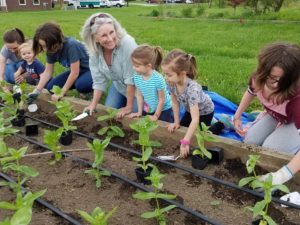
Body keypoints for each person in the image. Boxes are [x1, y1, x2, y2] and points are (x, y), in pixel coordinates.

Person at [233, 43, 300, 185]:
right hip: (276, 114)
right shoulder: (258, 79)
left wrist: (282, 175)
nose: (276, 84)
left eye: (283, 80)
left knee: (272, 149)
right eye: (272, 77)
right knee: (250, 141)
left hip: (294, 121)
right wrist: (237, 115)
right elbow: (250, 92)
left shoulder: (296, 98)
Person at [81, 12, 137, 117]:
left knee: (132, 116)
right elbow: (99, 80)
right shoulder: (94, 52)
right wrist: (93, 104)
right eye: (104, 35)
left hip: (140, 88)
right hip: (119, 85)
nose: (110, 39)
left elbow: (131, 79)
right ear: (95, 38)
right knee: (109, 112)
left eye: (112, 32)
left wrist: (129, 106)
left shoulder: (127, 43)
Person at [161, 49, 215, 158]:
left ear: (182, 73)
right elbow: (175, 103)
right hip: (189, 110)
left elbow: (195, 118)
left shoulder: (192, 89)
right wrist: (176, 122)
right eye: (165, 74)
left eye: (169, 75)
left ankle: (220, 124)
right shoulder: (171, 82)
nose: (166, 78)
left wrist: (185, 141)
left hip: (205, 112)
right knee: (183, 129)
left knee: (200, 136)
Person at [28, 22, 93, 103]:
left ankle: (89, 90)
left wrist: (62, 92)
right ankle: (78, 83)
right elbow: (47, 72)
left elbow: (74, 73)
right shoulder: (50, 49)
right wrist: (36, 91)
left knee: (81, 85)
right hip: (78, 71)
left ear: (56, 41)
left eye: (45, 46)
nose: (44, 49)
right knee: (51, 88)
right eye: (42, 46)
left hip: (91, 70)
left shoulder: (71, 45)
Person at [128, 44, 173, 123]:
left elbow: (162, 99)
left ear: (148, 66)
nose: (133, 68)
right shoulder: (137, 76)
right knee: (148, 126)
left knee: (162, 128)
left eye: (137, 66)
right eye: (133, 65)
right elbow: (139, 94)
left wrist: (156, 116)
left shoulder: (158, 79)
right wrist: (139, 112)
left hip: (164, 108)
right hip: (149, 106)